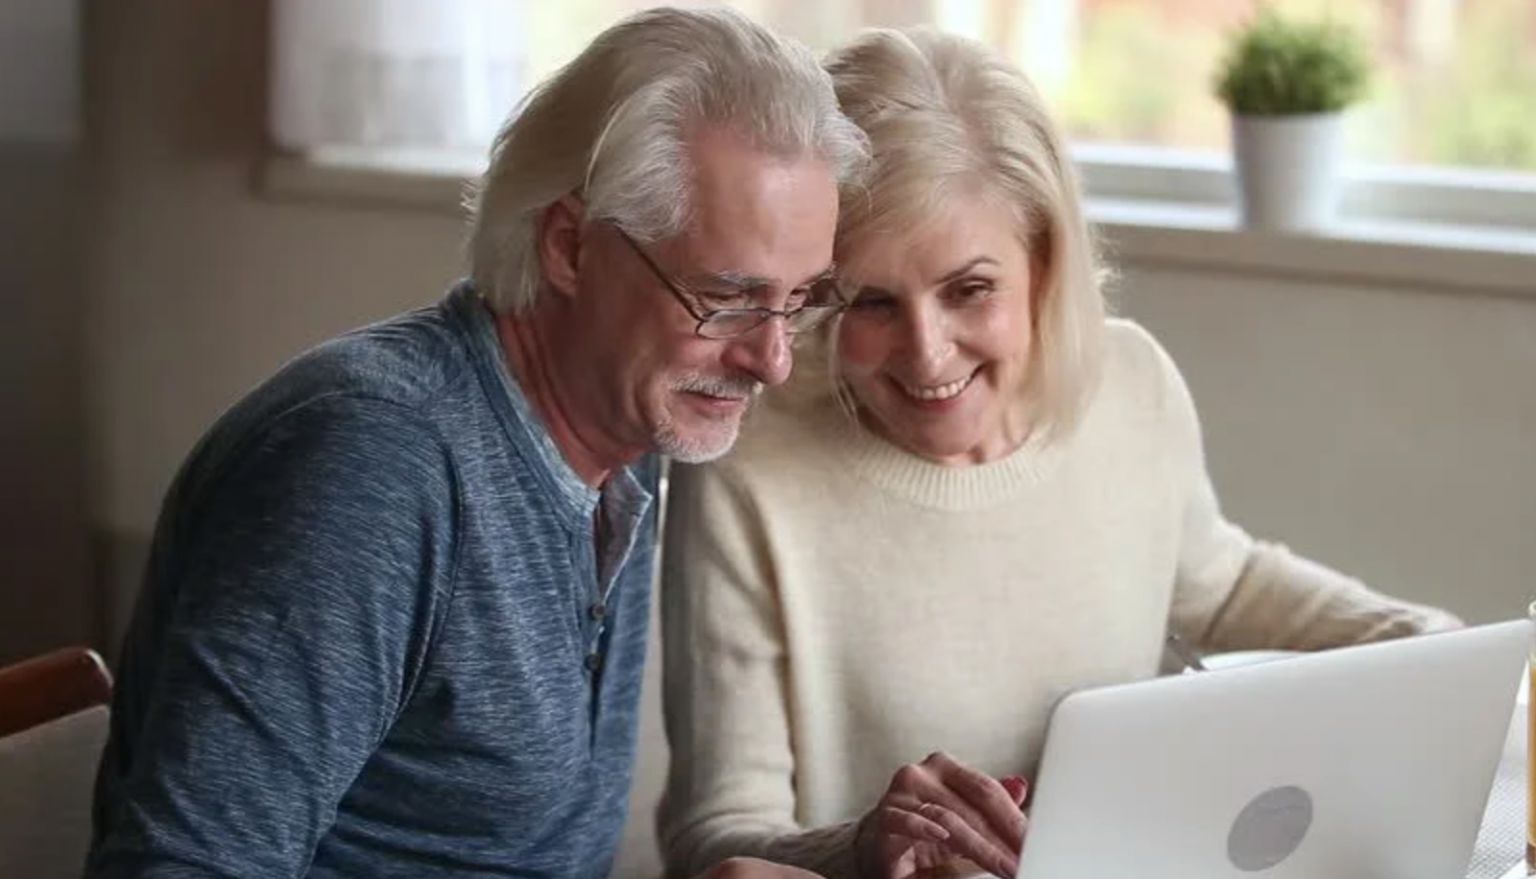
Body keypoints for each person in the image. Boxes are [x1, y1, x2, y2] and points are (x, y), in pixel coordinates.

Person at [656, 26, 1462, 879]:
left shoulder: (1131, 382)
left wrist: (1422, 642)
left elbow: (1218, 583)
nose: (927, 354)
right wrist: (862, 846)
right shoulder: (750, 470)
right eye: (871, 302)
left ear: (1043, 260)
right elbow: (715, 835)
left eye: (969, 289)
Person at [86, 8, 867, 879]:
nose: (770, 357)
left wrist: (855, 853)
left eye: (799, 299)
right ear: (569, 246)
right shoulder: (371, 467)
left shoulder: (626, 427)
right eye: (726, 296)